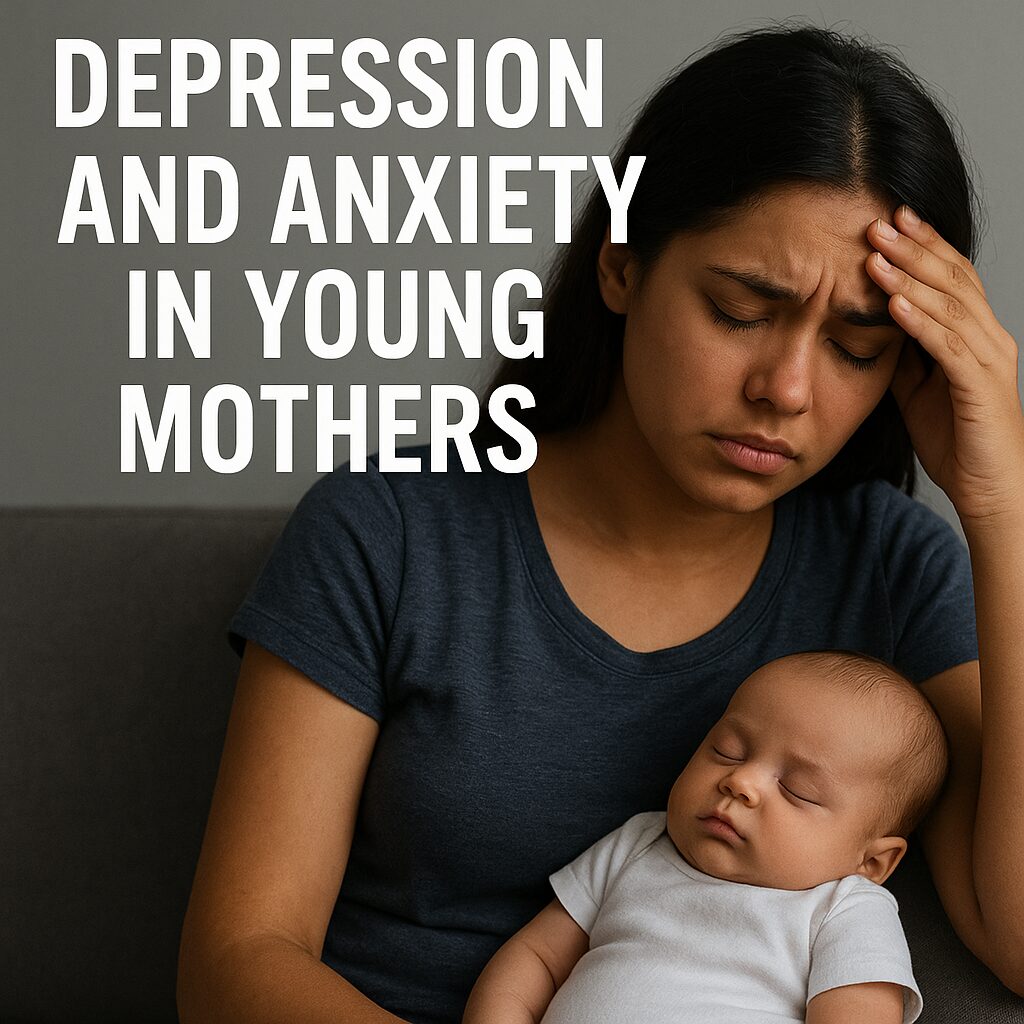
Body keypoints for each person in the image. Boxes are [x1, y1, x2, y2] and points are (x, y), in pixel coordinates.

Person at [176, 21, 1024, 1024]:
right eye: (741, 310)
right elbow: (236, 962)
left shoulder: (893, 570)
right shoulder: (389, 530)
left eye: (854, 345)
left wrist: (1000, 504)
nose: (786, 388)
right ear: (620, 265)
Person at [462, 650, 948, 1024]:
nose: (743, 782)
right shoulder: (639, 843)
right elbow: (537, 957)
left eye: (798, 790)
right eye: (728, 751)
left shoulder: (844, 908)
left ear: (873, 862)